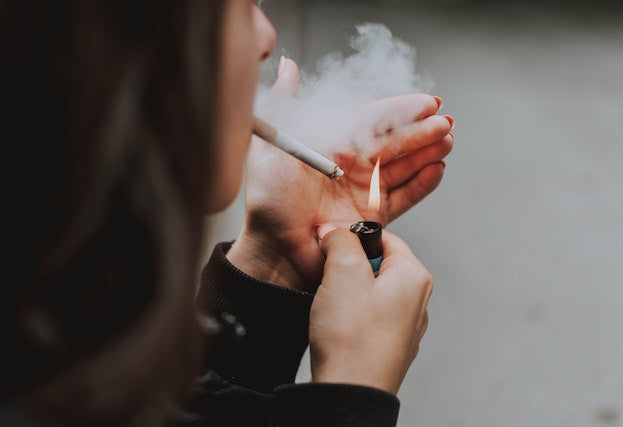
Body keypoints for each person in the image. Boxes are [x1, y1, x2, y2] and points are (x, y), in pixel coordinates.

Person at [2, 1, 454, 426]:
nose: (267, 35)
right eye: (236, 6)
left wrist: (269, 272)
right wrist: (352, 394)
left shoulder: (56, 308)